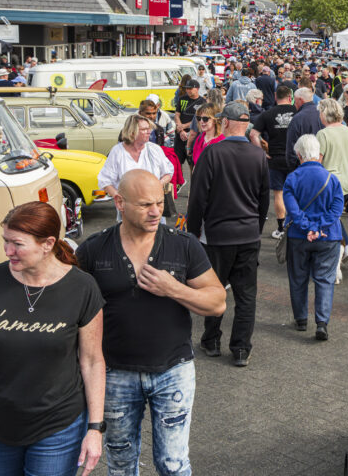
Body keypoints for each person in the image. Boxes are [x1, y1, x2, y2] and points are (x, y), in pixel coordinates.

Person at [76, 170, 226, 475]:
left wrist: (173, 288)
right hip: (114, 374)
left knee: (173, 464)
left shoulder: (183, 245)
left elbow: (217, 302)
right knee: (120, 463)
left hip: (173, 372)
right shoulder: (94, 249)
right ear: (119, 202)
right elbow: (72, 307)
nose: (156, 211)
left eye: (159, 202)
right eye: (145, 204)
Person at [0, 201, 105, 476]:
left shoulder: (82, 288)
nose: (8, 251)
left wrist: (95, 429)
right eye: (5, 241)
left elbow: (93, 361)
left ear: (47, 243)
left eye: (17, 244)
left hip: (57, 428)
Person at [187, 102, 269, 367]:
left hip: (216, 236)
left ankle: (211, 340)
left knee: (214, 290)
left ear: (226, 122)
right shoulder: (257, 156)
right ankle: (241, 348)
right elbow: (263, 199)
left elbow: (197, 198)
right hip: (246, 235)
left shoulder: (212, 153)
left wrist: (192, 232)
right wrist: (255, 229)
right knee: (246, 296)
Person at [284, 135, 344, 340]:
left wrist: (308, 227)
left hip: (298, 236)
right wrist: (319, 227)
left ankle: (301, 318)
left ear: (299, 155)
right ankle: (322, 322)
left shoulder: (291, 178)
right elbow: (337, 209)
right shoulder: (332, 179)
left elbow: (292, 210)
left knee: (298, 277)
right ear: (319, 154)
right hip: (329, 236)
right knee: (325, 279)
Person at [98, 115, 174, 221]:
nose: (149, 132)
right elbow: (105, 181)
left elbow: (168, 172)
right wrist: (119, 199)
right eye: (144, 129)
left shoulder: (154, 150)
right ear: (132, 132)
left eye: (149, 128)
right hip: (129, 210)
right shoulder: (117, 152)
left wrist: (158, 185)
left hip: (153, 208)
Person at [315, 98, 348, 273]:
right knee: (334, 216)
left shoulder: (323, 134)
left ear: (325, 113)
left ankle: (341, 248)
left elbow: (318, 162)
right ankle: (345, 245)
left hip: (328, 182)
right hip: (347, 182)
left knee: (329, 218)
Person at [250, 85, 297, 239]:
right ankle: (295, 225)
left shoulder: (268, 113)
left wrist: (262, 152)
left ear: (276, 97)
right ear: (290, 97)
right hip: (295, 157)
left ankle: (281, 228)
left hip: (275, 157)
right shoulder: (297, 112)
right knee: (296, 193)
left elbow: (253, 134)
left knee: (279, 193)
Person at [286, 88, 325, 170]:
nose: (294, 103)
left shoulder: (297, 118)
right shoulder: (323, 114)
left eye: (295, 100)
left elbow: (291, 148)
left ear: (300, 100)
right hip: (323, 166)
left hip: (303, 167)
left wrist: (294, 168)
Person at [175, 79, 206, 169]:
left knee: (192, 163)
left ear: (197, 89)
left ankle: (193, 182)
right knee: (177, 161)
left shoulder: (203, 102)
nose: (188, 90)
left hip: (194, 135)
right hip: (180, 134)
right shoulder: (182, 99)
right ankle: (179, 182)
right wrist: (181, 130)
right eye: (187, 88)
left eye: (190, 88)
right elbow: (177, 115)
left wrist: (184, 126)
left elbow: (200, 120)